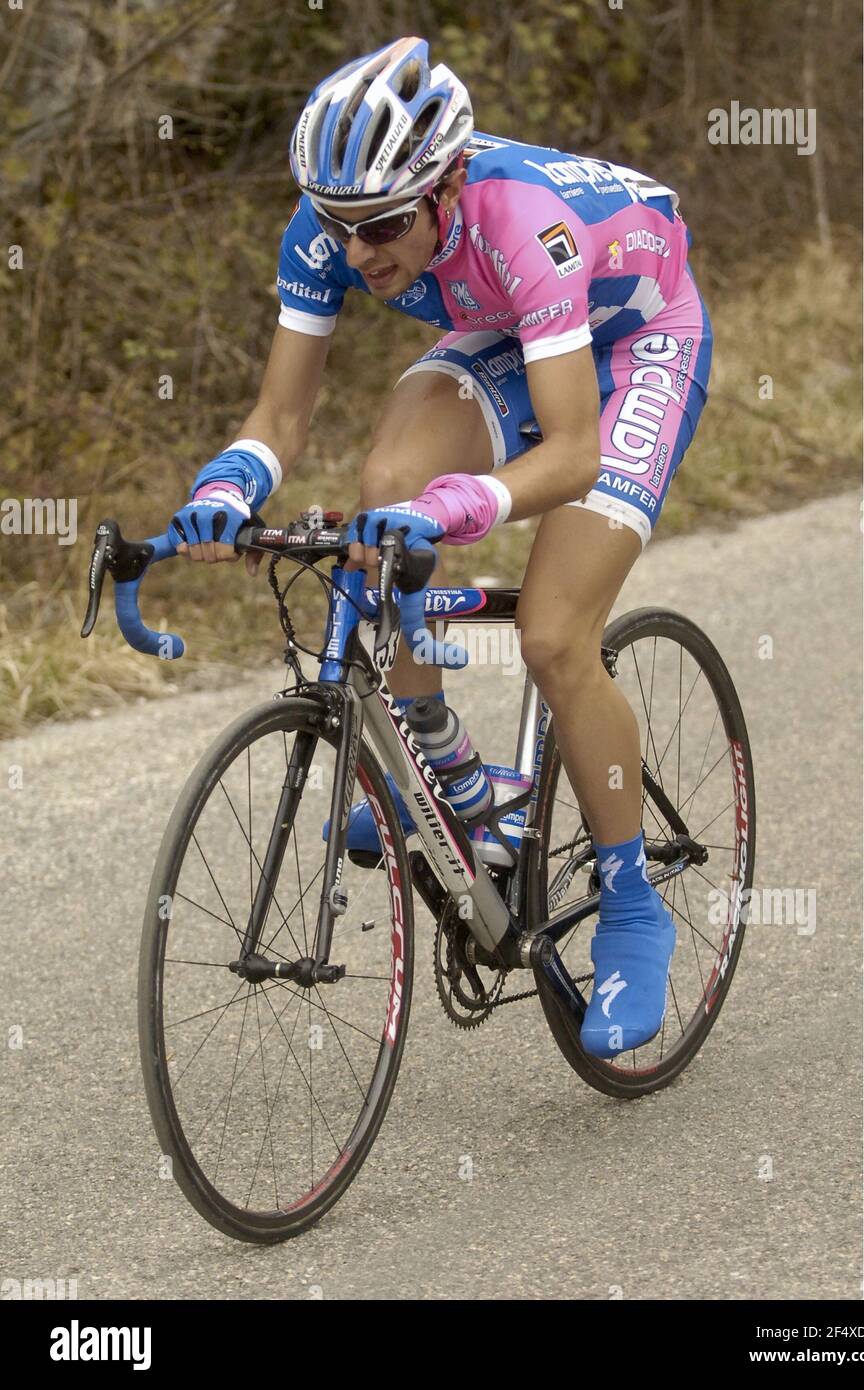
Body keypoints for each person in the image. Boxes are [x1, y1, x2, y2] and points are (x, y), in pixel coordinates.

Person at [168, 36, 713, 1059]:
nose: (359, 249)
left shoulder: (521, 220)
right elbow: (280, 413)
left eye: (380, 225)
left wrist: (470, 503)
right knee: (384, 488)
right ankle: (445, 765)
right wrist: (225, 483)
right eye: (339, 224)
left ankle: (634, 904)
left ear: (447, 185)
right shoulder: (332, 226)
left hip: (636, 340)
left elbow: (570, 454)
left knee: (555, 638)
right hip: (513, 327)